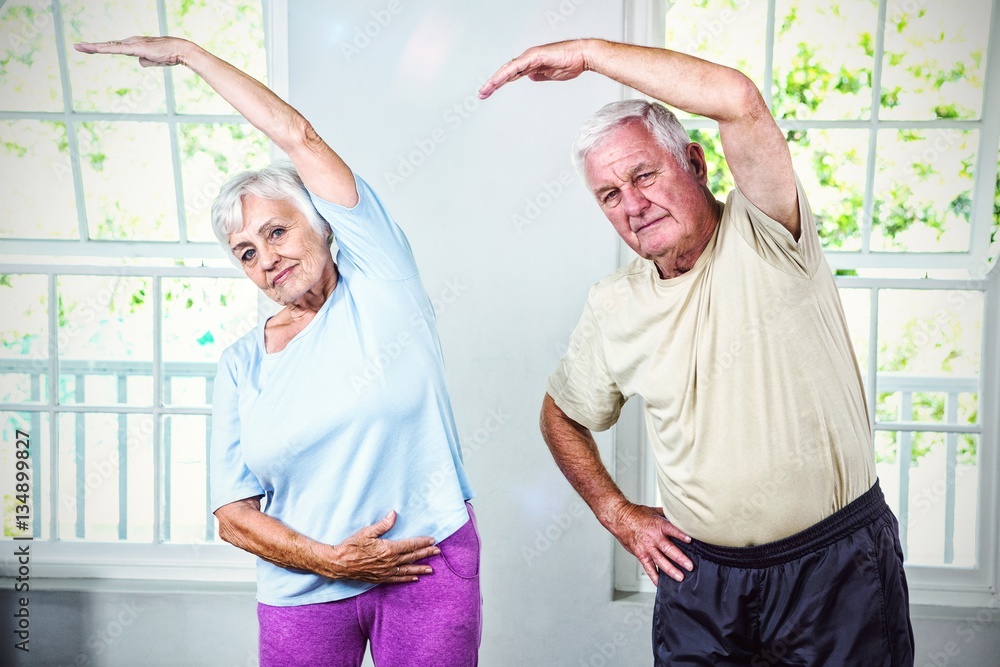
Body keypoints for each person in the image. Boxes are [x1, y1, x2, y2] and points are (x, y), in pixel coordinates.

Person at [480, 39, 914, 665]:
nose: (632, 205)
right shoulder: (613, 306)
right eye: (609, 195)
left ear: (695, 163)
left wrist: (588, 55)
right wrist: (617, 513)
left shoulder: (766, 230)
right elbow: (561, 414)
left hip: (834, 566)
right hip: (702, 582)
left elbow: (738, 100)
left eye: (644, 175)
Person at [76, 36, 480, 667]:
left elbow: (300, 137)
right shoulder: (241, 364)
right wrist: (330, 560)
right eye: (246, 252)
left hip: (423, 561)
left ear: (321, 222)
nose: (267, 259)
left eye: (276, 231)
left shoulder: (382, 282)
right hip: (301, 586)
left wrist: (189, 53)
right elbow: (233, 515)